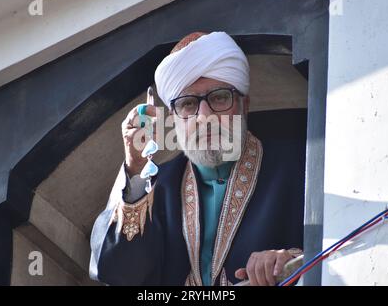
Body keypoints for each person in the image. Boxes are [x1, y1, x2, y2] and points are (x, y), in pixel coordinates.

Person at [89, 31, 305, 286]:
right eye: (188, 104)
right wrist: (135, 169)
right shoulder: (157, 187)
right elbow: (117, 273)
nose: (204, 116)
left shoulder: (299, 163)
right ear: (174, 116)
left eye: (219, 97)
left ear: (244, 105)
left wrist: (291, 260)